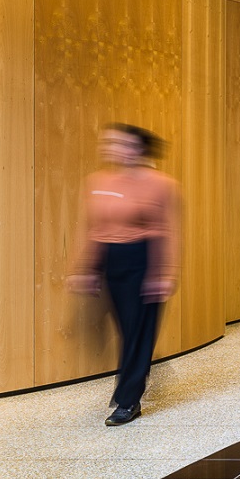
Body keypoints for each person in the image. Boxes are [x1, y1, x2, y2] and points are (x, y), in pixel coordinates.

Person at [67, 124, 179, 426]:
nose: (114, 148)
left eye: (122, 143)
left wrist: (163, 273)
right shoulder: (98, 181)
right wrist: (87, 269)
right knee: (127, 329)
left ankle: (128, 401)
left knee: (138, 331)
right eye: (111, 143)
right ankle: (135, 374)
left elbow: (164, 231)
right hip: (111, 260)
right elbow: (94, 228)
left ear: (138, 149)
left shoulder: (160, 184)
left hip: (142, 259)